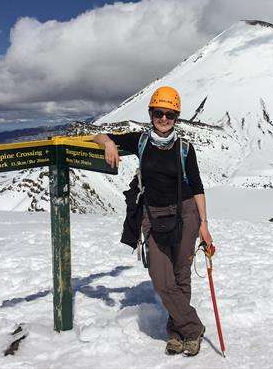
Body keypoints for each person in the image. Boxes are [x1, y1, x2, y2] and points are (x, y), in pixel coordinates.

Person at [93, 86, 212, 356]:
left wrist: (204, 224)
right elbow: (97, 135)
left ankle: (178, 333)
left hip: (186, 214)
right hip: (152, 215)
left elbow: (196, 186)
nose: (164, 119)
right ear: (151, 113)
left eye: (170, 114)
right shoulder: (140, 141)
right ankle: (193, 328)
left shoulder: (184, 148)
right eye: (159, 113)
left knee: (181, 276)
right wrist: (109, 143)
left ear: (177, 117)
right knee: (161, 278)